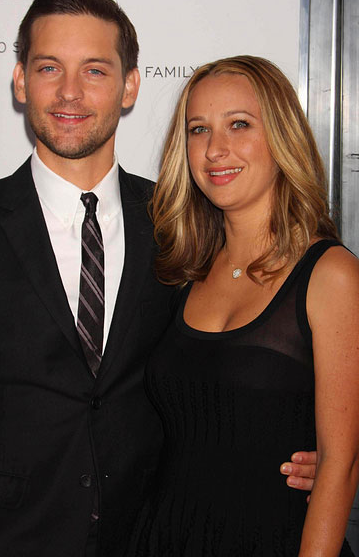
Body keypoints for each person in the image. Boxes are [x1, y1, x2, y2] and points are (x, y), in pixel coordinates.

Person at [0, 0, 316, 557]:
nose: (70, 92)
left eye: (95, 70)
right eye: (49, 67)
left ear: (130, 86)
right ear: (21, 79)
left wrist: (307, 447)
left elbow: (247, 356)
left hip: (152, 538)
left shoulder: (187, 226)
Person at [125, 56, 359, 555]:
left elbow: (340, 466)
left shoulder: (331, 274)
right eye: (198, 129)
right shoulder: (181, 269)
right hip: (165, 537)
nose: (215, 149)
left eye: (239, 124)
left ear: (281, 136)